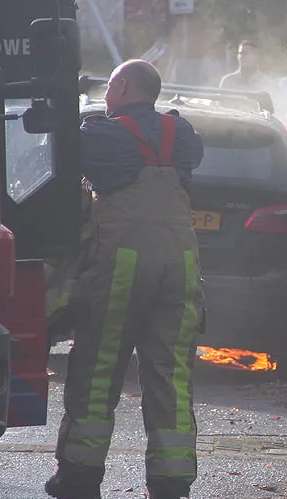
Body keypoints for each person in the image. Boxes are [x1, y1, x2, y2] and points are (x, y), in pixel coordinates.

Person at [47, 59, 206, 499]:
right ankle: (172, 483)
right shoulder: (185, 135)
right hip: (181, 266)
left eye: (111, 86)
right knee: (170, 375)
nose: (107, 94)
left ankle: (79, 477)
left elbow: (63, 158)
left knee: (99, 369)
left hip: (122, 267)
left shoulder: (102, 135)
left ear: (124, 86)